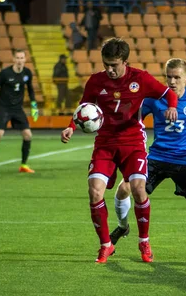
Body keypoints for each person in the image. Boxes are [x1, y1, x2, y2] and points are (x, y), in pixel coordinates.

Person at [60, 38, 179, 264]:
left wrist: (172, 107)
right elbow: (83, 107)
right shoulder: (96, 81)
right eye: (106, 64)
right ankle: (106, 245)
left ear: (125, 61)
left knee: (138, 189)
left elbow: (168, 94)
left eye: (114, 64)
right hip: (105, 144)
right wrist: (71, 126)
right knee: (95, 191)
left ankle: (144, 241)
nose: (110, 69)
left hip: (133, 143)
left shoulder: (140, 79)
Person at [110, 58, 186, 261]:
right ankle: (122, 227)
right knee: (124, 188)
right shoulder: (155, 98)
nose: (172, 81)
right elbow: (134, 117)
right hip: (156, 157)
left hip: (184, 160)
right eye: (169, 77)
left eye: (177, 77)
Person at [0, 50, 38, 175]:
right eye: (17, 58)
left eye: (22, 58)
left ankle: (23, 165)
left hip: (17, 109)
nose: (19, 60)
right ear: (13, 59)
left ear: (25, 59)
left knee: (28, 135)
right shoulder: (5, 73)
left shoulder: (27, 73)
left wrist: (34, 105)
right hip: (4, 108)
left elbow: (30, 89)